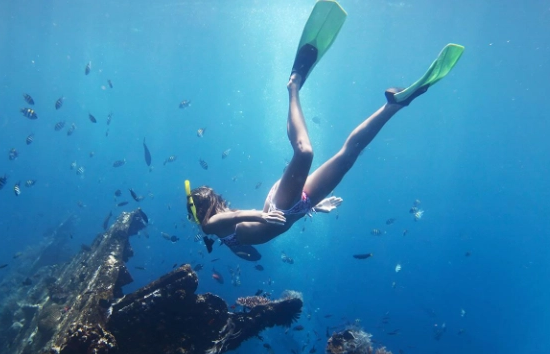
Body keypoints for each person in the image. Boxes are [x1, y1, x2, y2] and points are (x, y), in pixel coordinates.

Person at [186, 1, 463, 261]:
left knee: (305, 152)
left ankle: (293, 84)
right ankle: (393, 106)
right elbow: (253, 252)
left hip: (278, 206)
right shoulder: (220, 238)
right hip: (298, 207)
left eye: (193, 211)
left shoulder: (211, 224)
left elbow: (236, 218)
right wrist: (313, 208)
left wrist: (261, 217)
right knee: (347, 157)